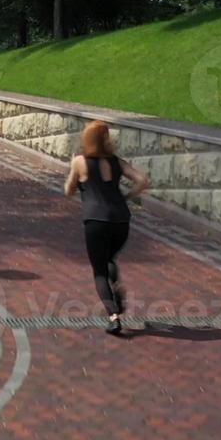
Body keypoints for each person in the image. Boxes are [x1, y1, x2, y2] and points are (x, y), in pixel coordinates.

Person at [63, 120, 150, 336]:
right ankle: (117, 289)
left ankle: (113, 316)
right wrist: (127, 196)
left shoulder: (80, 162)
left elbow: (68, 190)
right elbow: (142, 180)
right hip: (121, 220)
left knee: (99, 270)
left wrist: (75, 174)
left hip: (95, 221)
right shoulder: (117, 162)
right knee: (109, 258)